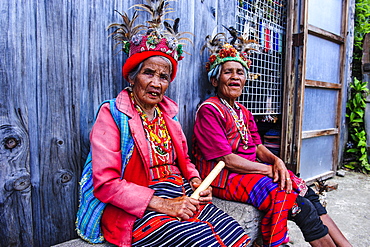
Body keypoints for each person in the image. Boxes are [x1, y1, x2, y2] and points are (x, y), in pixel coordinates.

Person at [76, 2, 250, 247]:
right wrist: (164, 204)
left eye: (164, 77)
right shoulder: (112, 114)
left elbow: (184, 160)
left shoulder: (168, 113)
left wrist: (195, 181)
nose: (156, 83)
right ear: (132, 76)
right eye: (149, 73)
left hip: (180, 194)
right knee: (198, 241)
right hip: (139, 208)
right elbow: (106, 184)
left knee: (233, 233)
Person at [193, 29, 352, 247]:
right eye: (228, 72)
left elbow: (257, 146)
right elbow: (226, 160)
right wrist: (269, 170)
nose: (235, 77)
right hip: (224, 177)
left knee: (308, 193)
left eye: (240, 72)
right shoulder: (209, 110)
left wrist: (277, 162)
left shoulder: (242, 110)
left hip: (249, 169)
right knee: (299, 206)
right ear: (215, 79)